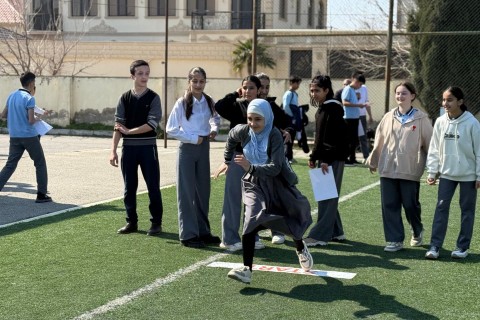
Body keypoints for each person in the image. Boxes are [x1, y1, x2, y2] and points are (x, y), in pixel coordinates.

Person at [214, 99, 313, 284]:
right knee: (250, 220)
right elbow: (231, 138)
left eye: (257, 119)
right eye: (250, 118)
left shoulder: (274, 135)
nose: (252, 123)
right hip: (253, 183)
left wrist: (250, 167)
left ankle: (299, 245)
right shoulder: (243, 130)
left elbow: (275, 167)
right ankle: (247, 270)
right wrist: (227, 160)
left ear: (267, 118)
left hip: (276, 183)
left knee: (287, 218)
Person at [366, 82, 432, 252]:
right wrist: (373, 160)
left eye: (404, 93)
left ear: (412, 96)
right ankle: (394, 240)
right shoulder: (388, 117)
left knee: (410, 205)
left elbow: (430, 145)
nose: (400, 97)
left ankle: (417, 230)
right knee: (389, 204)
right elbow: (379, 140)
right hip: (388, 168)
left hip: (410, 169)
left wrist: (433, 168)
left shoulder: (422, 118)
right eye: (397, 93)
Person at [166, 67, 221, 248]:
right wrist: (192, 138)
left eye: (201, 81)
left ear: (205, 82)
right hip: (188, 149)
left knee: (203, 191)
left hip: (204, 147)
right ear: (189, 82)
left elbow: (215, 119)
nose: (198, 85)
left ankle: (203, 231)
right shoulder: (181, 103)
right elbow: (170, 129)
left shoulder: (209, 101)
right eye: (194, 81)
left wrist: (213, 130)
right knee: (186, 192)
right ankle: (188, 235)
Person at [109, 60, 163, 236]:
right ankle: (131, 222)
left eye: (147, 73)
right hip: (129, 150)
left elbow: (151, 124)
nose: (144, 77)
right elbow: (118, 126)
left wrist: (129, 131)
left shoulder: (154, 98)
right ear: (132, 75)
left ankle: (156, 223)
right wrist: (113, 150)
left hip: (148, 149)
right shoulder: (124, 98)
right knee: (129, 187)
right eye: (140, 73)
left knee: (153, 187)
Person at [425, 87, 480, 260]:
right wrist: (432, 171)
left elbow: (479, 151)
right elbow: (434, 149)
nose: (445, 103)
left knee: (467, 211)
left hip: (469, 176)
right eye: (443, 100)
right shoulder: (440, 122)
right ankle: (435, 246)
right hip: (447, 175)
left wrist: (479, 175)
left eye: (449, 100)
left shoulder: (472, 123)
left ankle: (462, 247)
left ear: (460, 102)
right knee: (441, 208)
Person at [214, 75, 266, 251]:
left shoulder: (264, 108)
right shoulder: (236, 106)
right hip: (237, 158)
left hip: (256, 160)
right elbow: (219, 106)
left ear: (259, 90)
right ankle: (229, 238)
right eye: (244, 87)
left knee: (254, 200)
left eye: (251, 87)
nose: (247, 91)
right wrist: (234, 94)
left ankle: (252, 235)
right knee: (233, 198)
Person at [304, 75, 349, 247]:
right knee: (326, 195)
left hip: (331, 158)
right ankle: (336, 231)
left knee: (326, 198)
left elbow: (334, 138)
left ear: (326, 91)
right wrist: (314, 156)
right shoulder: (324, 108)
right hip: (325, 158)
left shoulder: (332, 109)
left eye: (317, 90)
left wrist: (324, 159)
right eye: (312, 90)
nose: (313, 93)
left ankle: (320, 236)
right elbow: (319, 138)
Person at [0, 72, 52, 203]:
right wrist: (39, 118)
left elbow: (3, 115)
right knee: (40, 163)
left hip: (14, 136)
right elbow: (30, 120)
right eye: (34, 82)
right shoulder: (29, 98)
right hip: (29, 136)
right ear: (31, 83)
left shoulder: (11, 95)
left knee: (10, 165)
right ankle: (41, 194)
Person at [255, 72, 290, 245]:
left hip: (271, 159)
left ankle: (277, 229)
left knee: (275, 192)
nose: (264, 90)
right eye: (261, 86)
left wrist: (288, 131)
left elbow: (287, 121)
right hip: (253, 159)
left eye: (267, 87)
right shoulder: (246, 106)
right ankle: (255, 229)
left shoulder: (271, 105)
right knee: (255, 194)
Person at [342, 72, 366, 165]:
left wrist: (359, 105)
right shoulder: (347, 89)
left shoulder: (353, 90)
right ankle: (344, 159)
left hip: (355, 118)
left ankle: (352, 158)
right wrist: (358, 105)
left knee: (354, 140)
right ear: (356, 81)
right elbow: (344, 102)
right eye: (360, 84)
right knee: (348, 140)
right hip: (348, 118)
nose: (360, 86)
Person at [282, 75, 303, 162]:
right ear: (291, 83)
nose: (298, 85)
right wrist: (292, 117)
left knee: (292, 136)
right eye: (297, 83)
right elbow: (286, 106)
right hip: (290, 119)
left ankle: (289, 156)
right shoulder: (289, 93)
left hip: (293, 118)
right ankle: (287, 157)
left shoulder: (294, 93)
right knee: (289, 136)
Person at [356, 74, 373, 161]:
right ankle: (349, 157)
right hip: (352, 116)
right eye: (360, 83)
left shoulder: (364, 88)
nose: (360, 85)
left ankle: (366, 156)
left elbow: (366, 101)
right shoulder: (350, 89)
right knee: (350, 137)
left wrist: (370, 115)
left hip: (362, 116)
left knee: (363, 136)